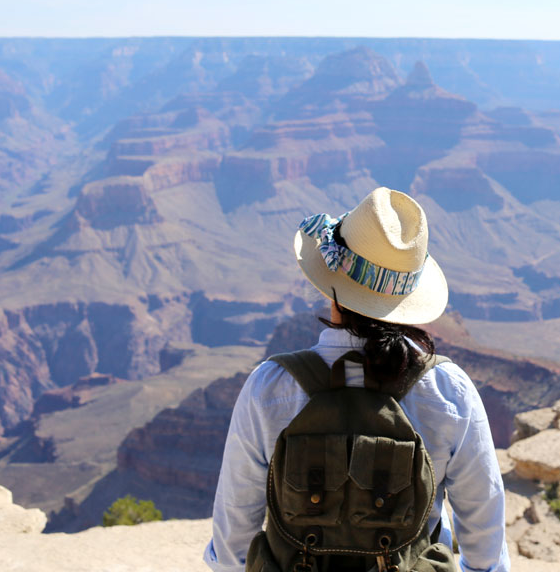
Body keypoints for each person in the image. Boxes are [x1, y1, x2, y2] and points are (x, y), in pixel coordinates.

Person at [203, 187, 510, 572]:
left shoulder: (269, 388)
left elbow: (232, 540)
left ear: (331, 283)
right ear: (408, 293)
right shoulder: (450, 391)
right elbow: (485, 541)